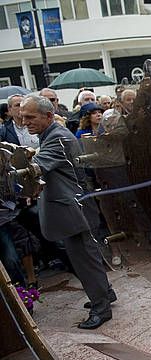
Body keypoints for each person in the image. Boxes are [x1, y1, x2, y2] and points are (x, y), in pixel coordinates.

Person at [20, 95, 116, 329]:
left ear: (49, 116)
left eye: (30, 117)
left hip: (75, 208)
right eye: (23, 117)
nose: (25, 122)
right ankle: (106, 293)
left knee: (85, 258)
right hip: (72, 206)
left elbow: (36, 168)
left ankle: (100, 308)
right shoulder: (50, 135)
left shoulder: (58, 138)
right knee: (87, 256)